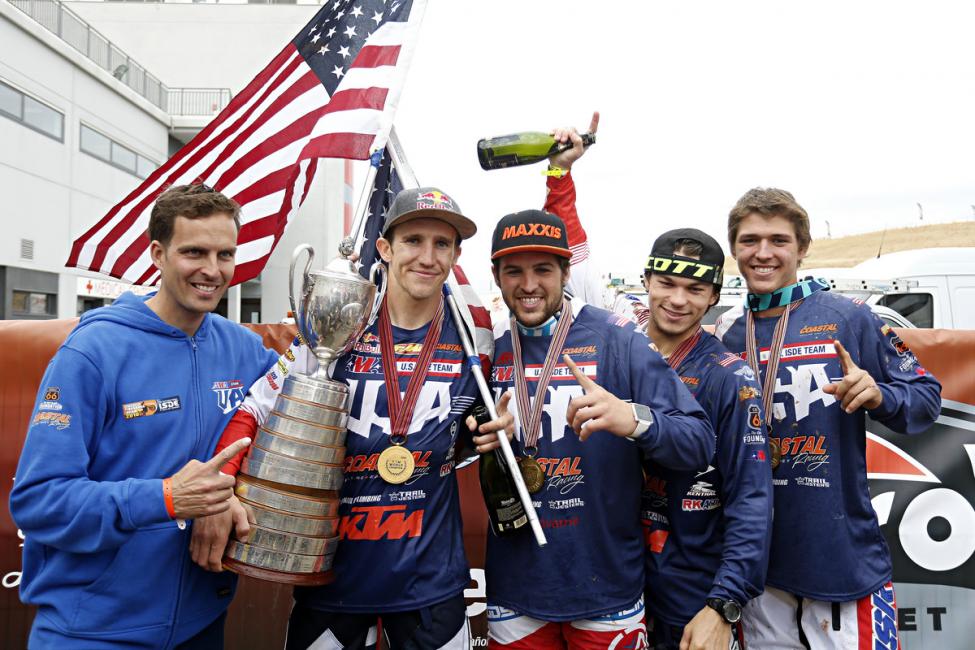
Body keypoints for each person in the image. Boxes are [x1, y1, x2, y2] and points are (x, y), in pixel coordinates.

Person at [206, 186, 512, 650]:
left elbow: (481, 423)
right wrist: (219, 491)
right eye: (413, 241)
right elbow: (255, 407)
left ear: (455, 255)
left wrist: (495, 430)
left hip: (430, 580)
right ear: (385, 249)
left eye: (442, 244)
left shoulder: (476, 337)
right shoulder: (339, 319)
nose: (427, 257)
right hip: (334, 573)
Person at [9, 184, 278, 649]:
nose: (212, 271)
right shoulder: (92, 353)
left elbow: (283, 432)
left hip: (201, 623)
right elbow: (39, 502)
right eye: (194, 252)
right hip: (93, 631)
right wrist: (168, 498)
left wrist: (229, 494)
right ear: (158, 253)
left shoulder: (245, 351)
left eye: (225, 254)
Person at [545, 120, 773, 650]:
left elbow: (752, 500)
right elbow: (572, 262)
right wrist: (560, 173)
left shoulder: (728, 376)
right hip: (612, 570)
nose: (677, 299)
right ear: (645, 280)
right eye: (666, 283)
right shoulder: (617, 333)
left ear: (714, 296)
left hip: (689, 587)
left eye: (695, 289)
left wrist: (724, 604)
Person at [714, 187, 942, 649]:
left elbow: (926, 397)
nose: (763, 253)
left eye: (778, 240)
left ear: (802, 248)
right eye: (749, 240)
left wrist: (881, 395)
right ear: (734, 248)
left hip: (841, 561)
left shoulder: (848, 316)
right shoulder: (726, 333)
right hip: (759, 570)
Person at [483, 208, 715, 650]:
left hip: (607, 590)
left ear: (566, 271)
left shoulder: (618, 338)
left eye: (543, 270)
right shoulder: (488, 346)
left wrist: (634, 421)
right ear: (496, 276)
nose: (529, 285)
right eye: (514, 271)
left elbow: (699, 442)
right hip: (516, 590)